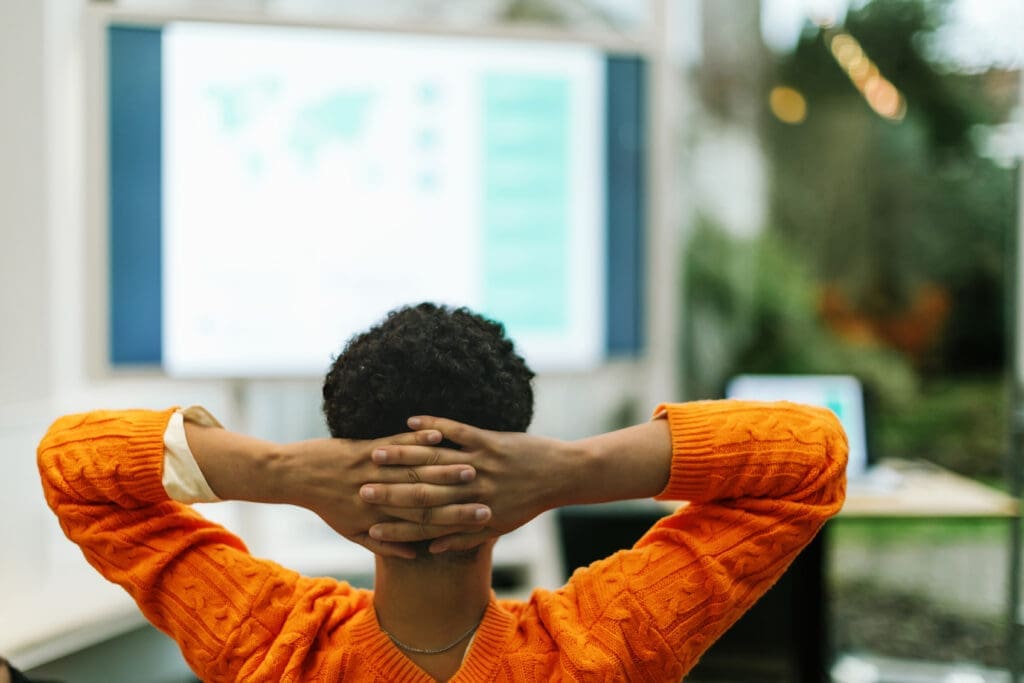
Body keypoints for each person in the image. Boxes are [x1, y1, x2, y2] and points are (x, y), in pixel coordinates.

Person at [38, 303, 848, 682]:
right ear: (514, 460)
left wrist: (286, 471)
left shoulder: (275, 648)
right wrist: (568, 469)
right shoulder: (606, 647)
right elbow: (811, 456)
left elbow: (74, 465)